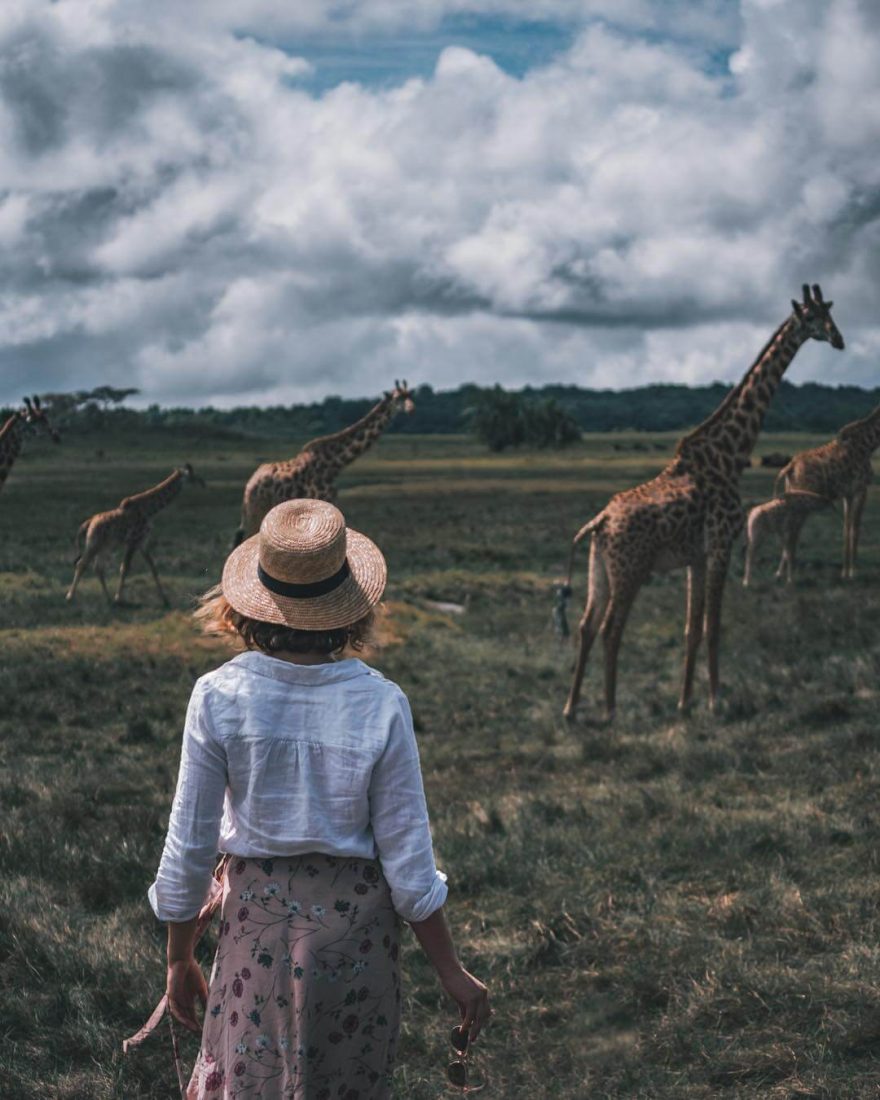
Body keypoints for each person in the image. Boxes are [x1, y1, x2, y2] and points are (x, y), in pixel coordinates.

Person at [148, 498, 490, 1099]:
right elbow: (409, 868)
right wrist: (451, 972)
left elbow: (189, 848)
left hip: (254, 935)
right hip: (354, 944)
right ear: (348, 605)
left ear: (251, 599)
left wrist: (179, 956)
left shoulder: (217, 696)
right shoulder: (381, 703)